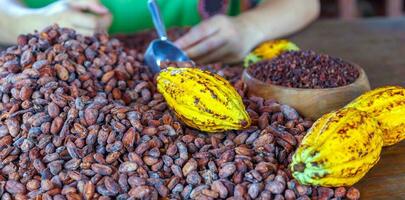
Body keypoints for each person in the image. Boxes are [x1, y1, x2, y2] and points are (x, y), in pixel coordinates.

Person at [0, 0, 320, 64]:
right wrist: (23, 22)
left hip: (215, 59)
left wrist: (249, 26)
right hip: (62, 62)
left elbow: (304, 4)